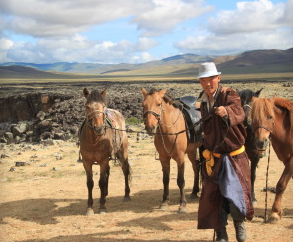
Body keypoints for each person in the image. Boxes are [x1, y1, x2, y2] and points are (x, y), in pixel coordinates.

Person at [196, 62, 254, 242]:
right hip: (215, 157)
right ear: (200, 82)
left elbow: (238, 111)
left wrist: (226, 111)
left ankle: (239, 224)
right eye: (203, 80)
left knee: (235, 195)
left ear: (218, 78)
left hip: (235, 156)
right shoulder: (203, 100)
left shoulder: (229, 94)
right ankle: (221, 233)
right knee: (215, 197)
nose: (207, 83)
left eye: (211, 79)